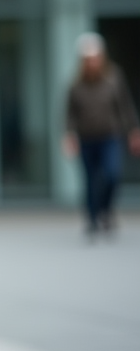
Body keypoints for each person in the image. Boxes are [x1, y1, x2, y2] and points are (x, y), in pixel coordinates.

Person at [63, 32, 140, 239]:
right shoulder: (75, 84)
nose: (92, 63)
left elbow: (125, 105)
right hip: (86, 138)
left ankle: (105, 209)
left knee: (112, 174)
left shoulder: (114, 78)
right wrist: (69, 136)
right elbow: (69, 113)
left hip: (110, 136)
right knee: (90, 179)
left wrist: (134, 130)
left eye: (95, 58)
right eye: (88, 60)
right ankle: (92, 218)